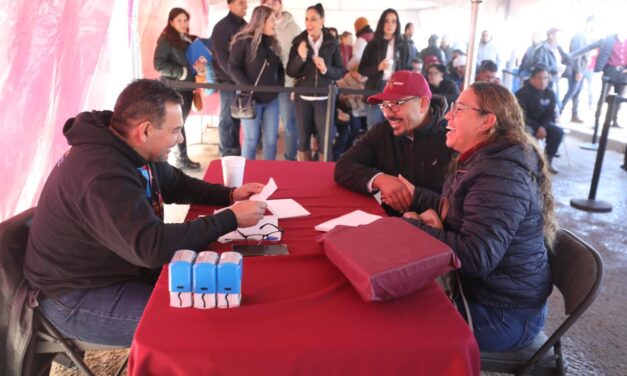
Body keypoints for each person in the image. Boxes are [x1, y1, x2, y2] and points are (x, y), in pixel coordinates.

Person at [23, 79, 268, 346]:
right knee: (194, 322)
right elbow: (151, 247)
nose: (180, 139)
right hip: (74, 295)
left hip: (121, 268)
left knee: (218, 295)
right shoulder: (102, 174)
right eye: (175, 131)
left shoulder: (128, 146)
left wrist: (229, 194)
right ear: (146, 130)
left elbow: (176, 183)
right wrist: (230, 218)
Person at [401, 81, 555, 352]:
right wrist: (417, 197)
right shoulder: (486, 160)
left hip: (503, 314)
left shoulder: (500, 175)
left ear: (487, 122)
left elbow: (475, 258)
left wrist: (411, 228)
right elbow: (462, 208)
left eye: (458, 109)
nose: (447, 116)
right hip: (487, 294)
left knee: (392, 322)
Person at [334, 71, 453, 216]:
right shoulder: (382, 132)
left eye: (396, 104)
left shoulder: (453, 139)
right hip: (389, 226)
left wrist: (416, 197)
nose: (388, 114)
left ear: (423, 103)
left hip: (438, 233)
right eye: (384, 105)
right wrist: (380, 179)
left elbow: (462, 207)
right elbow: (343, 166)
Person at [286, 3, 346, 161]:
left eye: (313, 19)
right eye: (306, 19)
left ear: (322, 21)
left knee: (325, 141)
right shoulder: (299, 42)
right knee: (303, 140)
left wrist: (326, 69)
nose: (309, 23)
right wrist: (301, 58)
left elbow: (340, 72)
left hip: (324, 99)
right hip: (302, 99)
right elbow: (290, 71)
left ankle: (322, 176)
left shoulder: (332, 43)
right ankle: (303, 176)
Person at [229, 5, 285, 160]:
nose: (275, 24)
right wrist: (247, 87)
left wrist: (278, 85)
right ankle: (247, 176)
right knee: (251, 140)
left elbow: (280, 68)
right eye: (272, 20)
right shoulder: (243, 41)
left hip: (272, 101)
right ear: (261, 21)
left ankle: (269, 176)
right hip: (251, 100)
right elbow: (233, 67)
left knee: (270, 142)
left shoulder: (273, 43)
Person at [153, 7, 202, 170]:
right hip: (174, 89)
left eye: (185, 20)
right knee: (175, 124)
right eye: (179, 20)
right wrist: (180, 72)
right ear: (171, 22)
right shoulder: (167, 39)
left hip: (186, 88)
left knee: (180, 124)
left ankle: (180, 157)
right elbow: (158, 63)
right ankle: (179, 158)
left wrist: (198, 68)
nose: (183, 23)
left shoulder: (186, 39)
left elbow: (190, 62)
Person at [358, 8, 412, 129]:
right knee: (373, 126)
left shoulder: (403, 45)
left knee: (395, 127)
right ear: (381, 23)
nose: (390, 25)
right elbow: (362, 69)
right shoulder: (373, 44)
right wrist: (378, 67)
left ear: (397, 24)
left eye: (394, 21)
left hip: (397, 89)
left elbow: (408, 69)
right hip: (375, 88)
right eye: (387, 21)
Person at [261, 0, 301, 160]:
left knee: (290, 126)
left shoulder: (293, 27)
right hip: (267, 86)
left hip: (286, 85)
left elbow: (299, 58)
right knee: (268, 131)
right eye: (266, 2)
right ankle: (267, 165)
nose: (270, 5)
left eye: (273, 2)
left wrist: (293, 85)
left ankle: (290, 160)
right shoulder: (259, 26)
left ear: (281, 5)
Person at [211, 0, 247, 156]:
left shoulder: (246, 26)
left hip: (241, 80)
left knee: (236, 117)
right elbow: (222, 59)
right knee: (226, 117)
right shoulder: (221, 27)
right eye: (241, 2)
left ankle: (235, 149)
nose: (245, 5)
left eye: (245, 2)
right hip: (227, 80)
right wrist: (239, 79)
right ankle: (225, 151)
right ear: (230, 5)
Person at [571, 32, 626, 128]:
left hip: (623, 73)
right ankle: (596, 120)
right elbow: (589, 47)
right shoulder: (608, 39)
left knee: (619, 98)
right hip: (610, 70)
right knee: (603, 96)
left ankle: (614, 120)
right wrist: (570, 55)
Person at [515, 66, 564, 174]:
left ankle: (547, 162)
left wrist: (543, 127)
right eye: (540, 78)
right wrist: (537, 128)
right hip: (525, 124)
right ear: (532, 79)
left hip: (543, 125)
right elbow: (520, 116)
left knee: (558, 131)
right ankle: (529, 163)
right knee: (528, 132)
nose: (543, 81)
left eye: (545, 78)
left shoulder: (550, 93)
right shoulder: (522, 93)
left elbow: (550, 114)